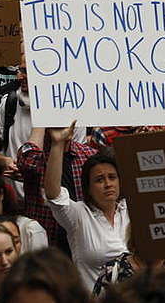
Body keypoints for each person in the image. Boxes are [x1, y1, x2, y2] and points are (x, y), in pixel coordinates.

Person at [45, 122, 129, 290]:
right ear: (88, 188)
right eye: (99, 180)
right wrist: (57, 144)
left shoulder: (132, 210)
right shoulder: (79, 215)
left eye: (112, 177)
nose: (107, 184)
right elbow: (53, 195)